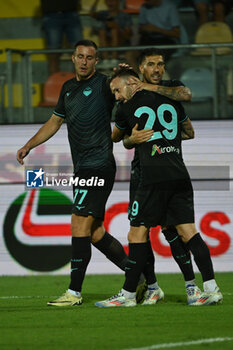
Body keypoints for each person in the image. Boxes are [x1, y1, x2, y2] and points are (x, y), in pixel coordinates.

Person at [16, 40, 146, 307]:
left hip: (98, 164)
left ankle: (74, 293)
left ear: (96, 61)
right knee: (95, 232)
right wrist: (29, 144)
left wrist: (125, 75)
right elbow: (54, 122)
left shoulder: (103, 85)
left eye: (90, 57)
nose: (84, 61)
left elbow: (127, 91)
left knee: (78, 223)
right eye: (80, 56)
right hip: (83, 167)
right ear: (72, 58)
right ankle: (140, 277)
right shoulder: (67, 89)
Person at [95, 68, 223, 307]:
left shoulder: (126, 108)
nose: (116, 96)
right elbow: (189, 132)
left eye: (117, 90)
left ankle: (129, 294)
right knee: (188, 232)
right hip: (179, 174)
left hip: (152, 176)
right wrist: (166, 140)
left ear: (132, 82)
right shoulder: (170, 100)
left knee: (137, 233)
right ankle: (209, 289)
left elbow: (115, 137)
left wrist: (131, 140)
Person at [121, 48, 203, 305]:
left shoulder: (171, 89)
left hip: (165, 172)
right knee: (139, 232)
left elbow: (187, 97)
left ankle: (191, 286)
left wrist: (148, 86)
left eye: (161, 64)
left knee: (170, 229)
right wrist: (130, 139)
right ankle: (153, 286)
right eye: (151, 64)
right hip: (141, 171)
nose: (158, 69)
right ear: (141, 68)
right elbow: (119, 137)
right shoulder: (130, 98)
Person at [41, 0, 83, 74]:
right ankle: (54, 83)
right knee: (53, 51)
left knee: (79, 51)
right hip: (52, 13)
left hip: (71, 12)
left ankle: (80, 83)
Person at [90, 0, 132, 68]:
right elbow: (92, 14)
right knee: (102, 31)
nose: (110, 2)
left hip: (121, 42)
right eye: (108, 1)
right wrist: (96, 1)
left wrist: (116, 26)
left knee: (114, 31)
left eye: (113, 0)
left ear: (118, 2)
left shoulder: (124, 15)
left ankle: (114, 60)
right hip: (107, 42)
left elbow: (128, 35)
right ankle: (106, 60)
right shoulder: (103, 14)